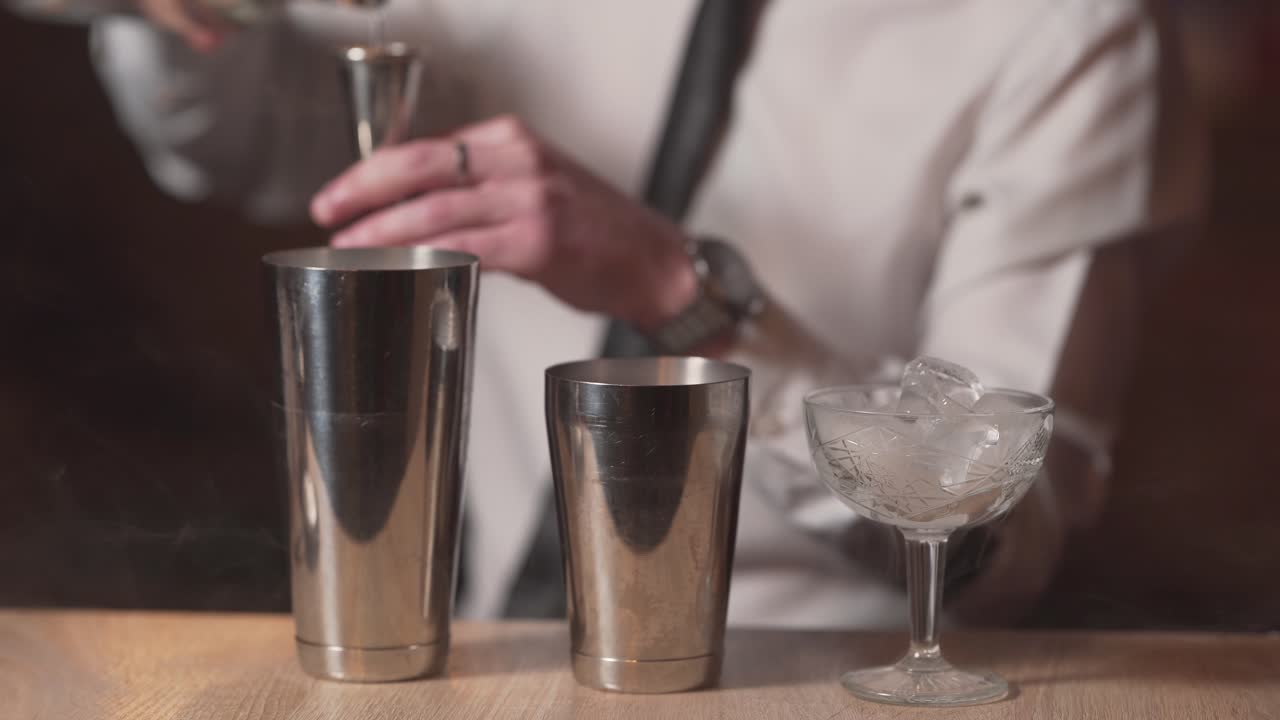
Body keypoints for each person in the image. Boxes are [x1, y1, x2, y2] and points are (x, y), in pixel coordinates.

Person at [14, 0, 1202, 627]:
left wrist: (683, 296)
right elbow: (253, 140)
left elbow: (1002, 540)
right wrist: (181, 14)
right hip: (475, 655)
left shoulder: (1065, 33)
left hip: (807, 675)